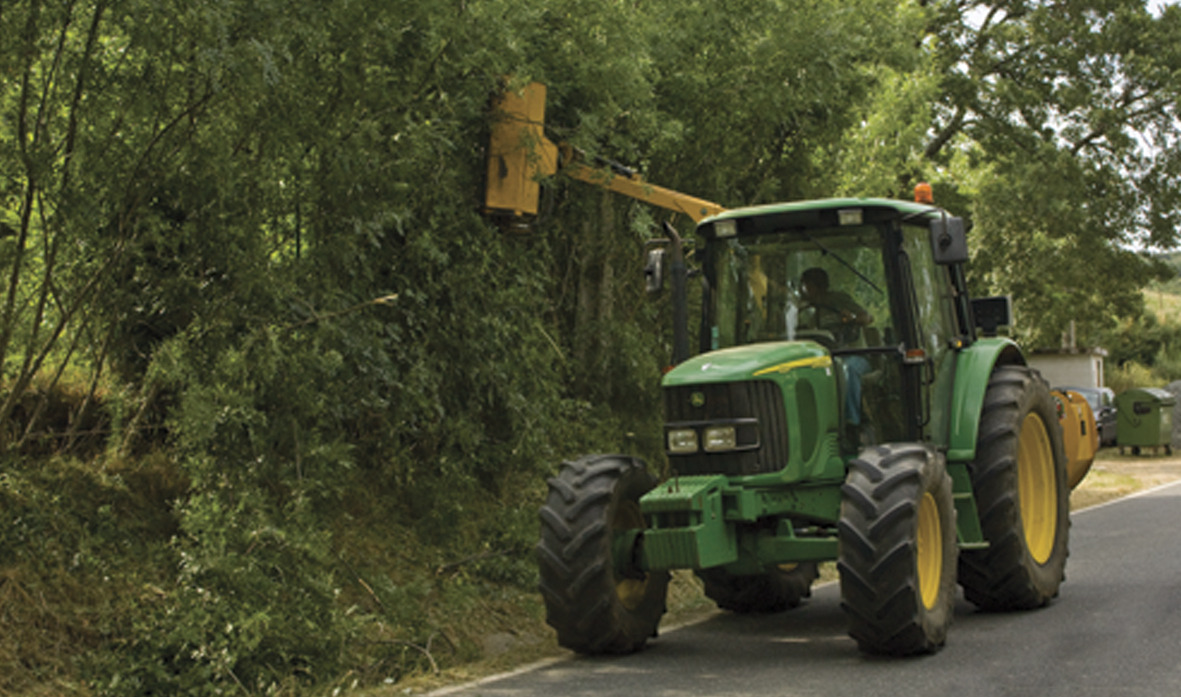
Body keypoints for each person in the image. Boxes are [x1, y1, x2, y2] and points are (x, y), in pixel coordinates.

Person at [799, 267, 873, 438]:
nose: (805, 290)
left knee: (846, 371)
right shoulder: (809, 311)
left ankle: (852, 424)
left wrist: (853, 319)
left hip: (854, 355)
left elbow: (867, 318)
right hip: (824, 360)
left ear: (819, 285)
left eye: (807, 285)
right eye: (804, 286)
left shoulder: (839, 300)